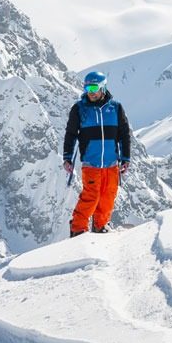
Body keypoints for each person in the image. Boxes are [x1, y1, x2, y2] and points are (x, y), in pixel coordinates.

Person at [62, 71, 133, 237]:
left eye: (94, 87)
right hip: (91, 162)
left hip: (111, 163)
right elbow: (71, 134)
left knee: (108, 196)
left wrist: (125, 158)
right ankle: (78, 228)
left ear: (103, 87)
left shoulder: (115, 108)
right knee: (91, 196)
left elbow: (124, 134)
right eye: (87, 87)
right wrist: (67, 157)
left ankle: (100, 226)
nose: (90, 91)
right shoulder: (79, 109)